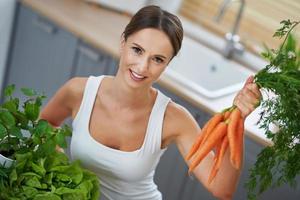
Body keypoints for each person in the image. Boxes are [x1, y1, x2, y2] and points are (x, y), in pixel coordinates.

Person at [40, 5, 261, 200]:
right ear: (123, 43)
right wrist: (60, 166)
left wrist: (238, 120)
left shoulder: (173, 119)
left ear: (167, 64)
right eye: (137, 50)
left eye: (157, 59)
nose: (143, 67)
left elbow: (222, 190)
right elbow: (46, 123)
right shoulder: (79, 91)